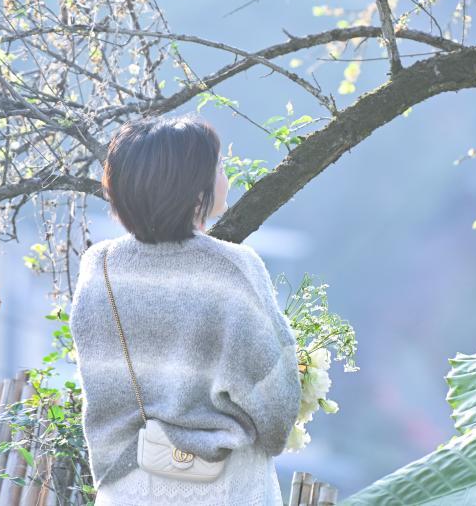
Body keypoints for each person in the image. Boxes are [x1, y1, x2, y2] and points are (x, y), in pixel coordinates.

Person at [70, 114, 302, 505]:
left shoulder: (100, 267)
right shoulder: (233, 269)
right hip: (226, 488)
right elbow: (275, 411)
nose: (225, 175)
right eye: (219, 167)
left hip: (129, 486)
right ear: (194, 188)